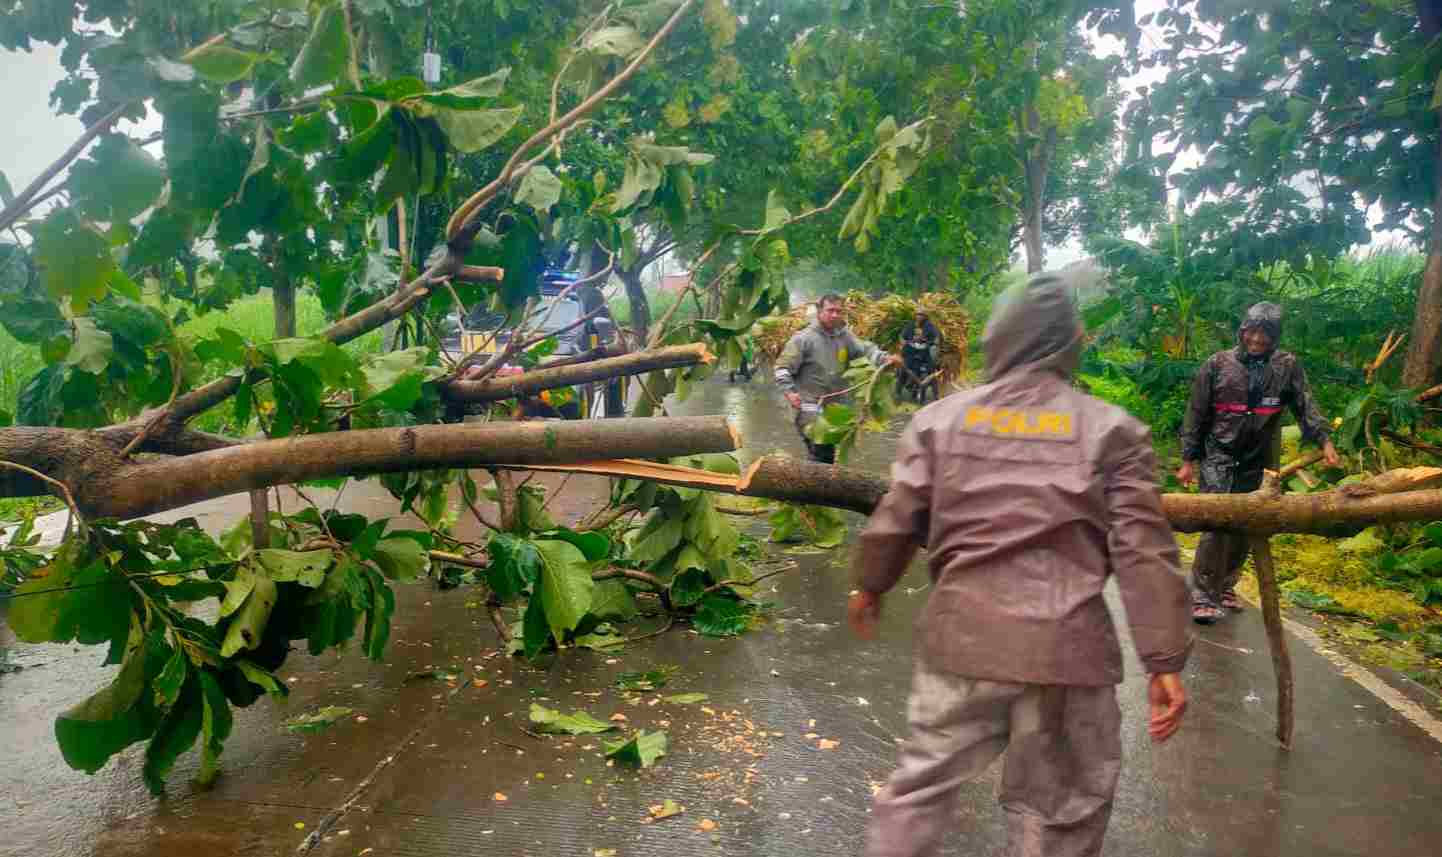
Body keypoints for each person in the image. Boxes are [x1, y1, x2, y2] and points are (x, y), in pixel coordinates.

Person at [849, 273, 1192, 857]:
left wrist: (870, 584)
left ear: (997, 338)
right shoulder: (1115, 432)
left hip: (961, 644)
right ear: (1071, 342)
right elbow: (1144, 551)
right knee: (1058, 812)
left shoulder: (939, 422)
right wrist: (1164, 659)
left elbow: (897, 514)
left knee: (917, 791)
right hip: (1067, 656)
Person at [1177, 301, 1339, 623]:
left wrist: (1325, 441)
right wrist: (1187, 459)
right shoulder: (1217, 365)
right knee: (1217, 522)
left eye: (1265, 335)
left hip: (1259, 457)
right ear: (1242, 331)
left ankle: (1226, 586)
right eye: (1252, 333)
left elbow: (1305, 405)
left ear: (1275, 337)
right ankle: (1202, 594)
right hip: (1219, 454)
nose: (1257, 340)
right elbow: (1196, 413)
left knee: (1246, 524)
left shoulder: (1287, 366)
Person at [775, 293, 900, 463]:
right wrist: (789, 392)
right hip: (808, 406)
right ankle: (815, 485)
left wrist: (884, 358)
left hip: (833, 408)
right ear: (820, 311)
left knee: (825, 455)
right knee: (821, 448)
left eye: (838, 311)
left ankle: (814, 485)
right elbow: (782, 368)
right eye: (830, 310)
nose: (835, 315)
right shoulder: (804, 339)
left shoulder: (844, 337)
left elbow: (865, 350)